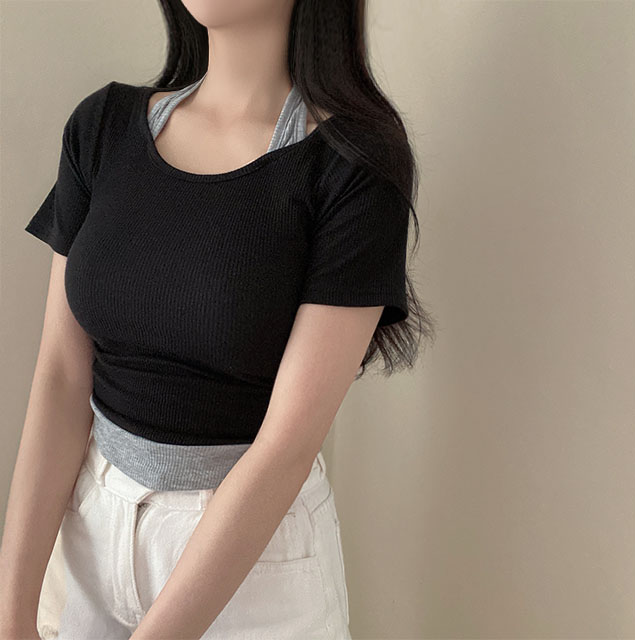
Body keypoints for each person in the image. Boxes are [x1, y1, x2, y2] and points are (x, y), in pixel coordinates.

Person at [1, 0, 435, 638]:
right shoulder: (102, 127)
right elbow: (62, 378)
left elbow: (286, 447)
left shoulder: (354, 164)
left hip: (250, 567)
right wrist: (11, 616)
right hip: (90, 533)